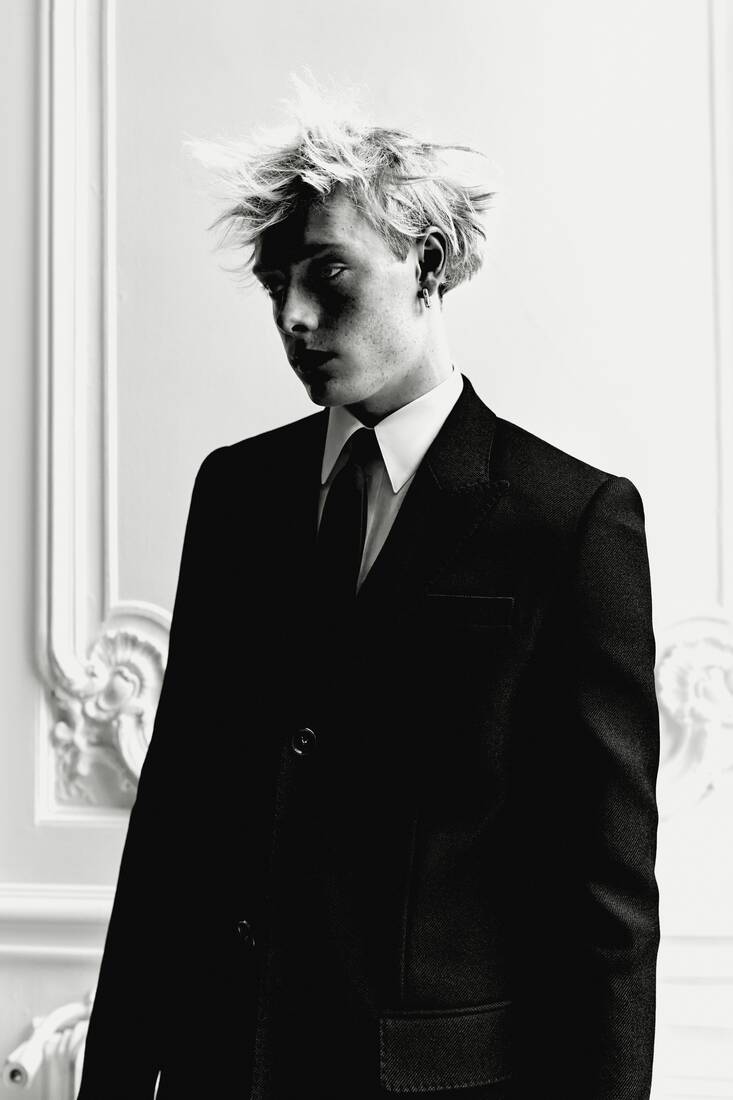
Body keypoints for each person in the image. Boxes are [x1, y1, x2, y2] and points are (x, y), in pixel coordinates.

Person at [77, 86, 660, 1100]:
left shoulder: (570, 522)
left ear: (427, 263)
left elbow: (604, 903)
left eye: (327, 273)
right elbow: (174, 824)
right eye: (276, 285)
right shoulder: (238, 493)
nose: (292, 317)